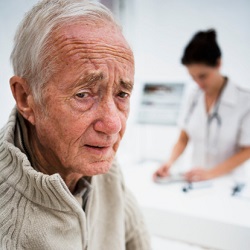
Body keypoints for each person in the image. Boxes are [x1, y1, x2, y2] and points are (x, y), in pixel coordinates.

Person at [0, 1, 151, 249]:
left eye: (122, 94)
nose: (113, 125)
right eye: (83, 94)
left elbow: (137, 239)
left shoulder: (99, 161)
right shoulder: (8, 231)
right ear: (26, 98)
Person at [154, 29, 250, 182]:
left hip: (229, 183)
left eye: (203, 76)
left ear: (218, 63)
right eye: (192, 77)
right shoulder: (193, 96)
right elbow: (183, 138)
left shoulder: (244, 99)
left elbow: (247, 150)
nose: (198, 83)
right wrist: (169, 163)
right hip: (196, 180)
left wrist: (211, 173)